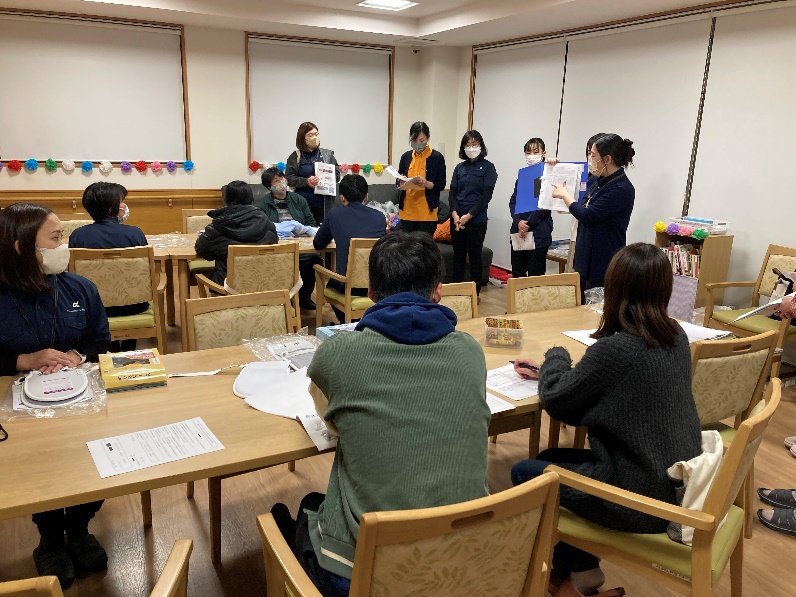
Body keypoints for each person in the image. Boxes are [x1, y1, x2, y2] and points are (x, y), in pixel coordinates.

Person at [270, 231, 490, 596]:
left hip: (367, 575)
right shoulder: (470, 351)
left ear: (371, 292)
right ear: (438, 291)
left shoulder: (339, 353)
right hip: (460, 562)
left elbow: (329, 421)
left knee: (305, 506)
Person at [510, 243, 701, 597]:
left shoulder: (616, 351)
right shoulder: (676, 336)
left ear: (615, 288)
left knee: (526, 473)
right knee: (549, 460)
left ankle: (561, 574)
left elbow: (556, 401)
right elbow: (614, 392)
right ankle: (579, 573)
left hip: (641, 501)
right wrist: (565, 376)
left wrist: (555, 356)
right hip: (675, 486)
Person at [0, 203, 111, 588]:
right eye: (56, 238)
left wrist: (76, 356)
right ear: (21, 247)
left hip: (80, 396)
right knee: (39, 465)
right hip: (17, 409)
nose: (64, 245)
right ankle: (49, 539)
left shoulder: (80, 288)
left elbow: (100, 340)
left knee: (97, 454)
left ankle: (78, 529)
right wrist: (25, 360)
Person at [69, 182, 148, 351]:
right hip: (136, 305)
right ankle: (129, 347)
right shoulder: (135, 233)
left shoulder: (78, 236)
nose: (125, 205)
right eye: (122, 201)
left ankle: (111, 347)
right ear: (112, 208)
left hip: (94, 308)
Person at [551, 133, 635, 294]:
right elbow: (578, 198)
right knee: (579, 301)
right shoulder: (598, 180)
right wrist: (554, 168)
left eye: (593, 155)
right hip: (584, 257)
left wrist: (565, 196)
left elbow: (587, 215)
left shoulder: (621, 188)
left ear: (607, 159)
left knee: (594, 305)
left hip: (602, 261)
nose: (589, 159)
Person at [313, 174, 386, 323]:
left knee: (331, 282)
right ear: (366, 197)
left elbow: (318, 244)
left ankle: (346, 322)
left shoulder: (335, 214)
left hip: (348, 287)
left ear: (342, 198)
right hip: (377, 286)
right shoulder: (380, 217)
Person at [257, 166, 322, 310]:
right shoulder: (262, 205)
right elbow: (262, 229)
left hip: (301, 245)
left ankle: (304, 297)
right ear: (269, 187)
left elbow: (311, 223)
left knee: (314, 258)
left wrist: (303, 230)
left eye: (282, 178)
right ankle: (280, 298)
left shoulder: (299, 199)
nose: (282, 182)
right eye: (276, 181)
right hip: (277, 247)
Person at [195, 180, 278, 287]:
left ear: (226, 200)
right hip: (264, 287)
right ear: (251, 198)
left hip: (228, 290)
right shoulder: (268, 224)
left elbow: (201, 250)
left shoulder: (217, 228)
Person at [448, 130, 498, 296]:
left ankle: (474, 293)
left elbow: (486, 197)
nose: (471, 148)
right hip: (457, 219)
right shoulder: (459, 168)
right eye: (468, 145)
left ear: (481, 146)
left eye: (474, 144)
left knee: (475, 256)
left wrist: (469, 215)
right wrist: (455, 214)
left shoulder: (489, 168)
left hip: (476, 219)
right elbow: (452, 194)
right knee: (458, 256)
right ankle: (456, 292)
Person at [508, 137, 553, 278]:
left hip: (538, 232)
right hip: (518, 231)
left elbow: (544, 205)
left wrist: (527, 223)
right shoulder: (522, 176)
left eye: (535, 152)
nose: (531, 155)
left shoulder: (547, 175)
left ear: (543, 153)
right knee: (517, 273)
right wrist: (518, 222)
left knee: (535, 275)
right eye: (528, 152)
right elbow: (513, 202)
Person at [395, 121, 447, 235]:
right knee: (406, 244)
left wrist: (426, 183)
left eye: (421, 140)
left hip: (427, 213)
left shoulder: (437, 157)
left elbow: (441, 184)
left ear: (427, 138)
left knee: (424, 245)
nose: (418, 143)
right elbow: (397, 183)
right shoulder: (406, 156)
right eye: (414, 140)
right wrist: (401, 180)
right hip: (407, 211)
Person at [285, 121, 340, 225]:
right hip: (301, 205)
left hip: (324, 205)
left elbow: (337, 176)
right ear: (303, 138)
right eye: (310, 135)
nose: (315, 137)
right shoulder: (295, 156)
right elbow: (289, 179)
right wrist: (306, 181)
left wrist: (327, 176)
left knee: (323, 232)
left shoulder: (327, 155)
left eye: (316, 134)